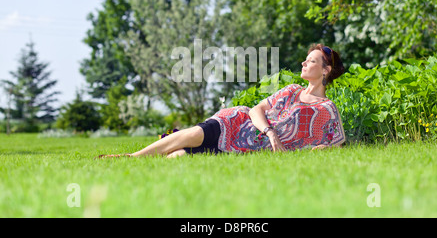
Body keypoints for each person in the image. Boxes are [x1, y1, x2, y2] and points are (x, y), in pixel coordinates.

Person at [98, 43, 346, 159]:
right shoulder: (291, 90)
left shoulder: (326, 109)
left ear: (326, 70)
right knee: (194, 135)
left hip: (248, 148)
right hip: (237, 123)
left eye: (311, 61)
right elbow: (258, 109)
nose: (304, 63)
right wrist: (271, 134)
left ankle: (155, 154)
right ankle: (132, 157)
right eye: (305, 59)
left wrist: (326, 148)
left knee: (180, 157)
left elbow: (338, 141)